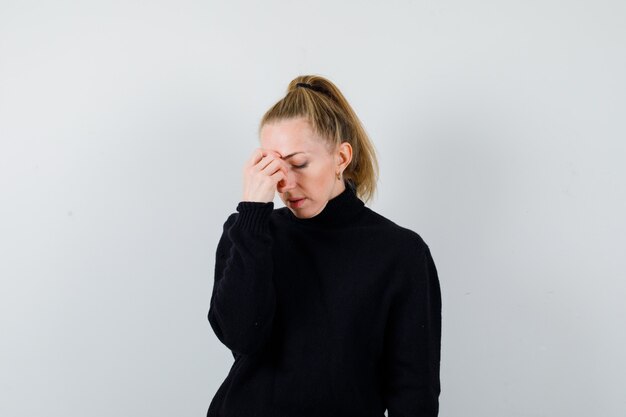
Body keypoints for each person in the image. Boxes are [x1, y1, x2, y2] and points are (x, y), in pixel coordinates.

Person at [206, 75, 442, 417]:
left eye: (299, 163)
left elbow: (414, 392)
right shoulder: (248, 234)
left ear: (341, 157)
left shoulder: (400, 252)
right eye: (272, 166)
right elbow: (241, 338)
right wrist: (253, 213)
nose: (284, 182)